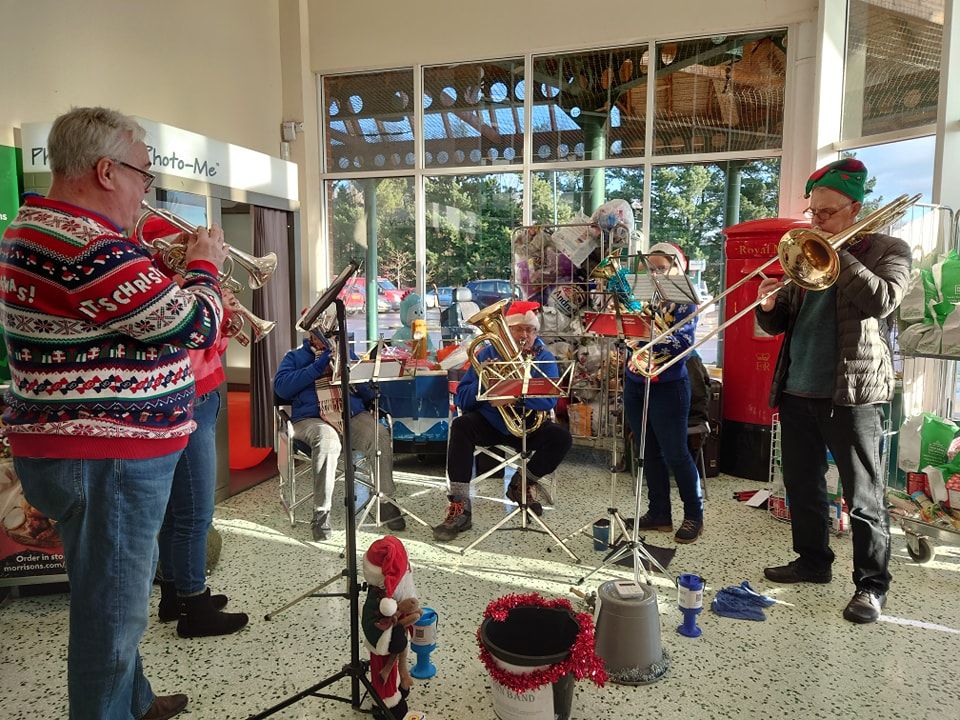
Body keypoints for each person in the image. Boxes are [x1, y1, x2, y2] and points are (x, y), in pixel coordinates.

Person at [0, 107, 227, 720]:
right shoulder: (84, 242)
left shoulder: (44, 228)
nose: (145, 191)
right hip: (107, 458)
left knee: (111, 592)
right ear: (106, 171)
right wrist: (205, 267)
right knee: (113, 616)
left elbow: (126, 319)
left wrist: (161, 268)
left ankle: (138, 701)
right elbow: (192, 322)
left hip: (85, 452)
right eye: (143, 176)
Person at [756, 158, 910, 624]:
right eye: (813, 213)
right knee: (802, 485)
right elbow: (777, 321)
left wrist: (838, 255)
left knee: (863, 495)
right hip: (797, 388)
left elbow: (882, 300)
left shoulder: (890, 248)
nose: (816, 222)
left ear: (854, 209)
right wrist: (768, 301)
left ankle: (871, 585)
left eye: (825, 213)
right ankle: (812, 561)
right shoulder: (806, 250)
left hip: (853, 392)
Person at [140, 216, 249, 639]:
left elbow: (212, 341)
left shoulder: (178, 288)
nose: (192, 248)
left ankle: (174, 594)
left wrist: (225, 319)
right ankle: (194, 605)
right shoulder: (175, 288)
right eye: (183, 243)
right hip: (193, 397)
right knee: (195, 511)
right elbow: (198, 341)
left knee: (176, 510)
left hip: (199, 394)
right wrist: (216, 318)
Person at [433, 300, 572, 541]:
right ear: (507, 331)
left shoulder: (545, 358)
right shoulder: (486, 354)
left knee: (562, 437)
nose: (525, 335)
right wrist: (484, 382)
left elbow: (549, 400)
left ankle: (521, 482)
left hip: (530, 426)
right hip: (492, 423)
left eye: (530, 330)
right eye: (519, 329)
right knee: (461, 426)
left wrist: (514, 398)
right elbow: (464, 400)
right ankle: (460, 504)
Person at [273, 323, 406, 541]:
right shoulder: (295, 357)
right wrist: (317, 367)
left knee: (379, 434)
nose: (330, 340)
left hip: (349, 414)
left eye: (334, 335)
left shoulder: (348, 353)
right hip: (310, 418)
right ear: (311, 337)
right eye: (323, 336)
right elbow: (282, 389)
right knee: (327, 440)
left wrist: (352, 372)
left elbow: (367, 393)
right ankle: (321, 512)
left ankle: (385, 502)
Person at [622, 243, 705, 544]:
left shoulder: (685, 298)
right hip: (635, 380)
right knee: (646, 451)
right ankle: (659, 513)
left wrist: (645, 333)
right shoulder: (642, 292)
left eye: (661, 268)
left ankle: (694, 515)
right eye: (651, 268)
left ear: (677, 269)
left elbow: (683, 344)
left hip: (668, 385)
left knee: (676, 453)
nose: (655, 274)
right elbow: (625, 330)